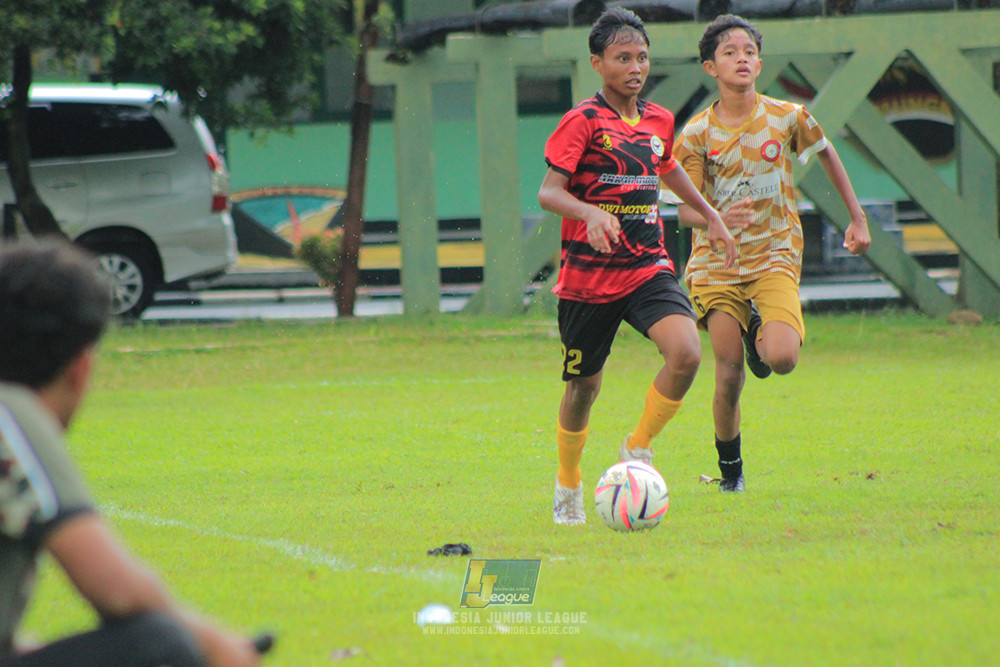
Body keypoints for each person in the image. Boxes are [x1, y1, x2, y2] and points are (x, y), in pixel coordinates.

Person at [0, 240, 262, 667]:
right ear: (80, 367)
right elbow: (118, 591)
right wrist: (217, 646)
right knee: (162, 641)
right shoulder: (11, 414)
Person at [538, 8, 737, 525]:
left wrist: (711, 214)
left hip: (647, 265)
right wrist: (589, 213)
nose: (635, 68)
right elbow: (549, 193)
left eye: (642, 58)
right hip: (588, 280)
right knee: (584, 388)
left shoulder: (658, 120)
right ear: (597, 63)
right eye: (622, 58)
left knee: (686, 353)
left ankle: (638, 446)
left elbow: (666, 166)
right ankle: (568, 481)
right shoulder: (582, 121)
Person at [668, 14, 872, 491]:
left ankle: (759, 330)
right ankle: (731, 475)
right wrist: (716, 218)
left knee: (782, 359)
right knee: (728, 372)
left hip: (775, 253)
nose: (742, 59)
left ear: (759, 64)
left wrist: (856, 216)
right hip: (717, 265)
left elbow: (826, 152)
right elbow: (684, 212)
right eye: (730, 52)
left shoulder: (787, 117)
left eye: (749, 52)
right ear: (710, 67)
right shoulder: (695, 134)